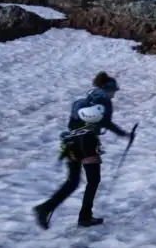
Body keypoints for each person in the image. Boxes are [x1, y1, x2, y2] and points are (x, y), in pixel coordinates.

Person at [34, 72, 132, 229]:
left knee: (72, 181)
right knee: (93, 180)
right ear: (108, 88)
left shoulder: (86, 99)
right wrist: (125, 134)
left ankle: (45, 208)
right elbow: (105, 122)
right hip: (87, 142)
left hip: (70, 143)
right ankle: (85, 217)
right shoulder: (103, 100)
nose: (114, 95)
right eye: (114, 91)